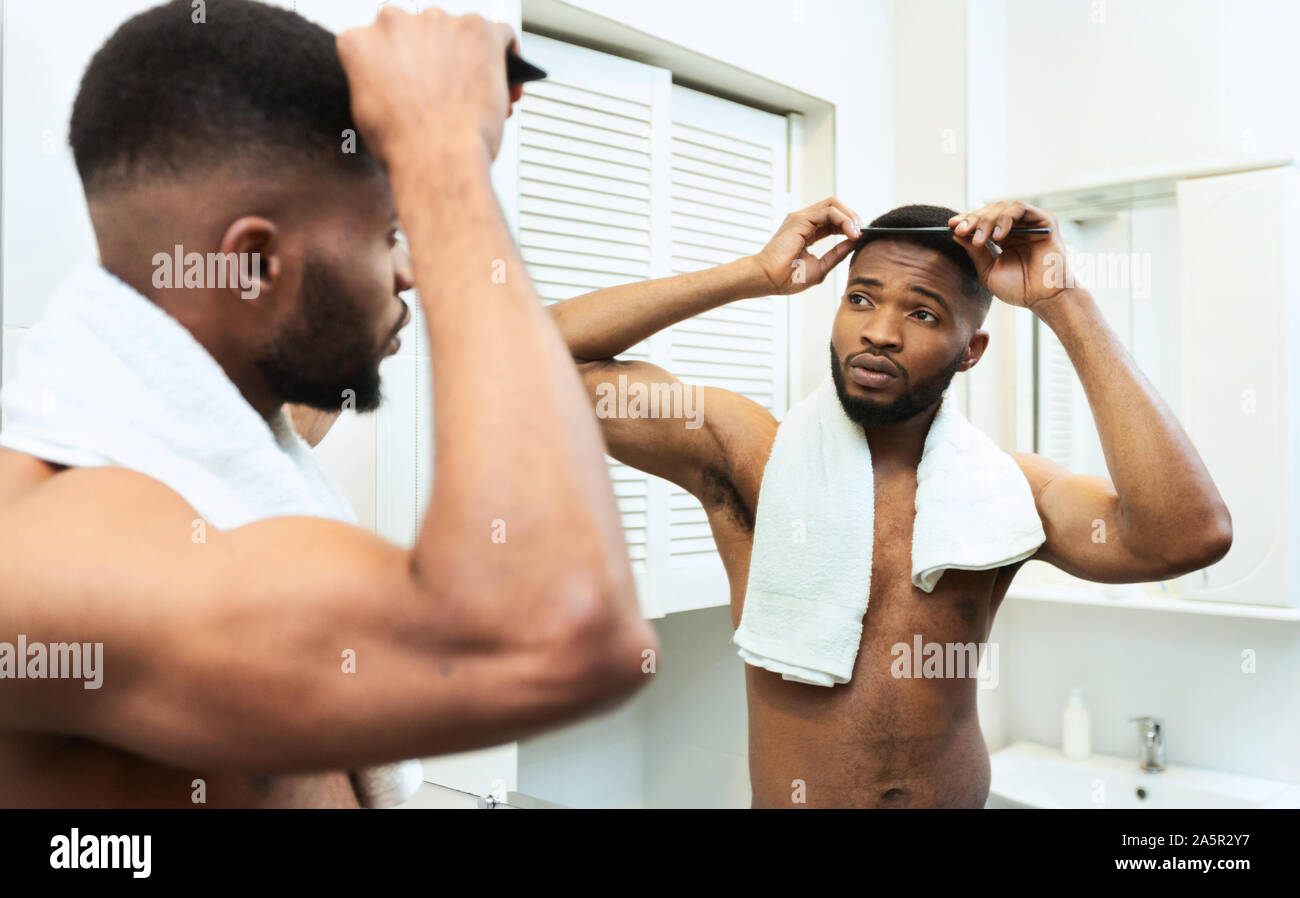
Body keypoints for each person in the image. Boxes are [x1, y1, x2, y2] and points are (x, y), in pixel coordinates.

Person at [0, 0, 656, 808]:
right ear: (252, 268)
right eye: (388, 232)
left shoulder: (230, 439)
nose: (410, 270)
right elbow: (561, 628)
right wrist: (441, 157)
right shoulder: (55, 550)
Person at [549, 197, 1233, 808]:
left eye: (924, 313)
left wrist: (1063, 301)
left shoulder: (1005, 491)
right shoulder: (752, 458)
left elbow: (1188, 536)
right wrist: (754, 274)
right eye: (861, 298)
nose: (880, 331)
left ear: (972, 351)